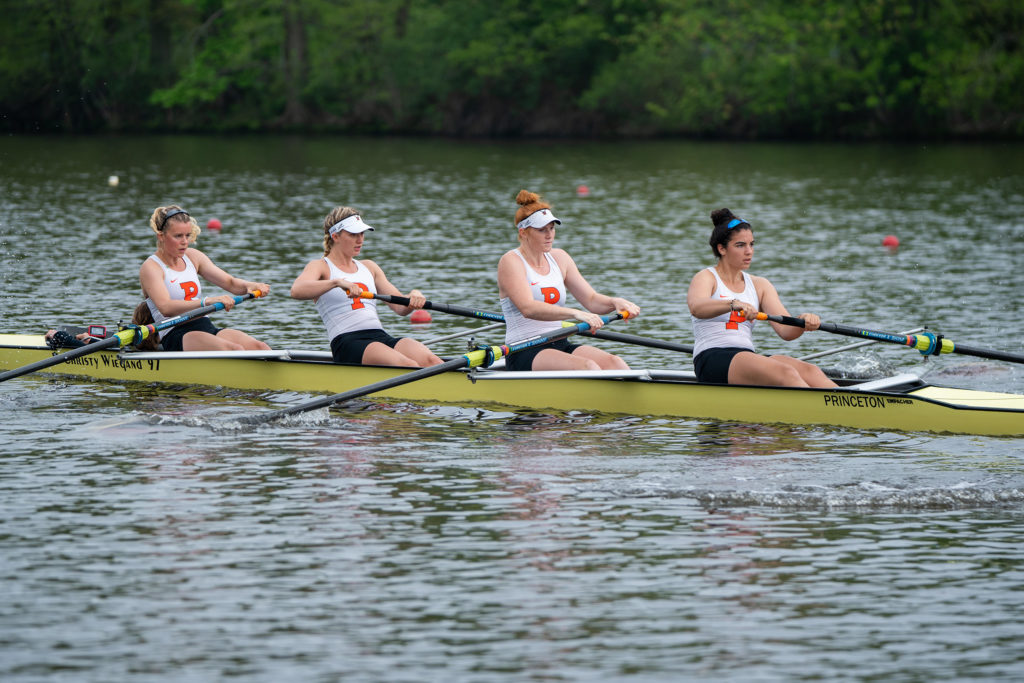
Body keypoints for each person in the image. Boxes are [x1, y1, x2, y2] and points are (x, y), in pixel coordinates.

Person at [687, 208, 837, 387]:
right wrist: (733, 304)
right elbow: (697, 307)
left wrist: (803, 322)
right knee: (786, 373)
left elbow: (786, 331)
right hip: (711, 359)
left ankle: (849, 409)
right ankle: (817, 411)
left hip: (745, 358)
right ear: (722, 249)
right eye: (740, 245)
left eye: (752, 244)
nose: (749, 251)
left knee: (811, 372)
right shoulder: (706, 277)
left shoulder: (760, 285)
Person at [497, 190, 641, 371]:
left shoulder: (560, 258)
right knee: (589, 367)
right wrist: (575, 314)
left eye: (552, 228)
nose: (549, 235)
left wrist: (615, 302)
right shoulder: (511, 261)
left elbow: (591, 300)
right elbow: (528, 308)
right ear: (524, 232)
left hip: (560, 343)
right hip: (524, 350)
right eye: (542, 230)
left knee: (616, 363)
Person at [290, 206, 442, 368]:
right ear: (336, 236)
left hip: (380, 337)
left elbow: (400, 308)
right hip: (348, 342)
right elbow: (296, 290)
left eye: (362, 233)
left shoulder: (369, 267)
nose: (360, 240)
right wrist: (337, 282)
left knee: (433, 362)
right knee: (408, 365)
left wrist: (413, 295)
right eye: (353, 234)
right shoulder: (321, 267)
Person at [140, 205, 271, 352]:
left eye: (187, 235)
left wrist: (250, 285)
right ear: (161, 236)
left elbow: (230, 283)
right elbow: (166, 308)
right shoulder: (151, 267)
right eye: (178, 236)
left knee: (260, 347)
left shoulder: (193, 257)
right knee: (235, 349)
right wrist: (207, 301)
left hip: (205, 327)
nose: (185, 241)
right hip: (177, 334)